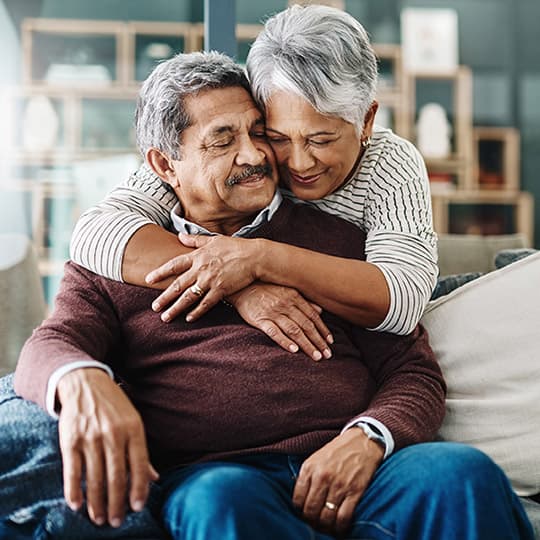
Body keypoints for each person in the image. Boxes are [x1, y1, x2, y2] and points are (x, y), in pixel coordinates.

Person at [5, 51, 534, 540]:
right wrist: (80, 382)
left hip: (359, 466)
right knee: (220, 501)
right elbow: (47, 347)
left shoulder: (336, 240)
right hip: (222, 475)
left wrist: (370, 438)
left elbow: (413, 370)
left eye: (259, 132)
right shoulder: (117, 261)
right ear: (165, 166)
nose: (254, 154)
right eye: (222, 140)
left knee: (459, 474)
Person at [69, 5, 437, 362]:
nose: (298, 162)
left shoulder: (390, 164)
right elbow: (95, 233)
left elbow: (402, 301)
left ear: (367, 121)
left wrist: (260, 258)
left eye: (320, 140)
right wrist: (241, 286)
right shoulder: (239, 157)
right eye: (276, 136)